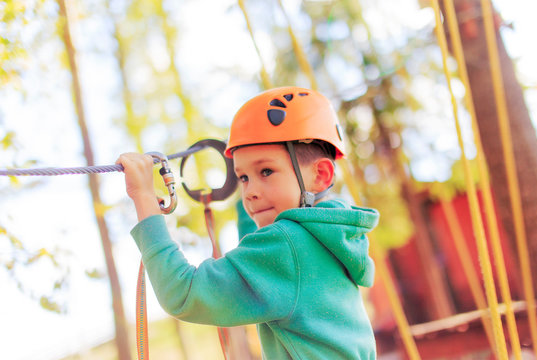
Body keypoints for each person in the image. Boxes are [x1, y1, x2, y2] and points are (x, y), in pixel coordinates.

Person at [117, 86, 379, 359]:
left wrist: (144, 196)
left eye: (266, 171)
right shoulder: (328, 234)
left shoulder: (287, 244)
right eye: (243, 178)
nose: (249, 192)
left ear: (320, 175)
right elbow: (254, 246)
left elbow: (182, 293)